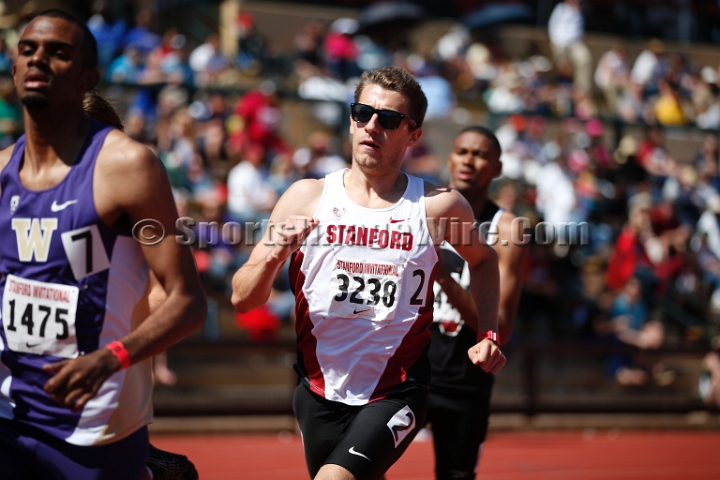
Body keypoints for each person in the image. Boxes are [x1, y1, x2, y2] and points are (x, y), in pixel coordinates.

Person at [231, 66, 506, 480]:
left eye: (390, 119)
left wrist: (488, 334)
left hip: (398, 389)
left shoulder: (438, 207)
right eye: (363, 113)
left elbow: (484, 261)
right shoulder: (306, 197)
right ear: (351, 118)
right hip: (318, 388)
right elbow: (242, 297)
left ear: (413, 134)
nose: (372, 126)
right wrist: (271, 258)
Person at [0, 10, 206, 479]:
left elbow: (184, 300)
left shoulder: (128, 168)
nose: (38, 61)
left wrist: (115, 353)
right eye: (28, 50)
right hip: (10, 416)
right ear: (13, 69)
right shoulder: (1, 173)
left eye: (58, 53)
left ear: (88, 77)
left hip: (97, 428)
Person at [427, 126, 527, 480]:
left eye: (480, 154)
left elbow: (499, 327)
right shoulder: (421, 210)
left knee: (456, 475)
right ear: (449, 158)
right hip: (408, 371)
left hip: (463, 379)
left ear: (497, 167)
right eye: (462, 151)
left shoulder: (507, 230)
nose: (469, 160)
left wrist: (443, 278)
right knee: (363, 462)